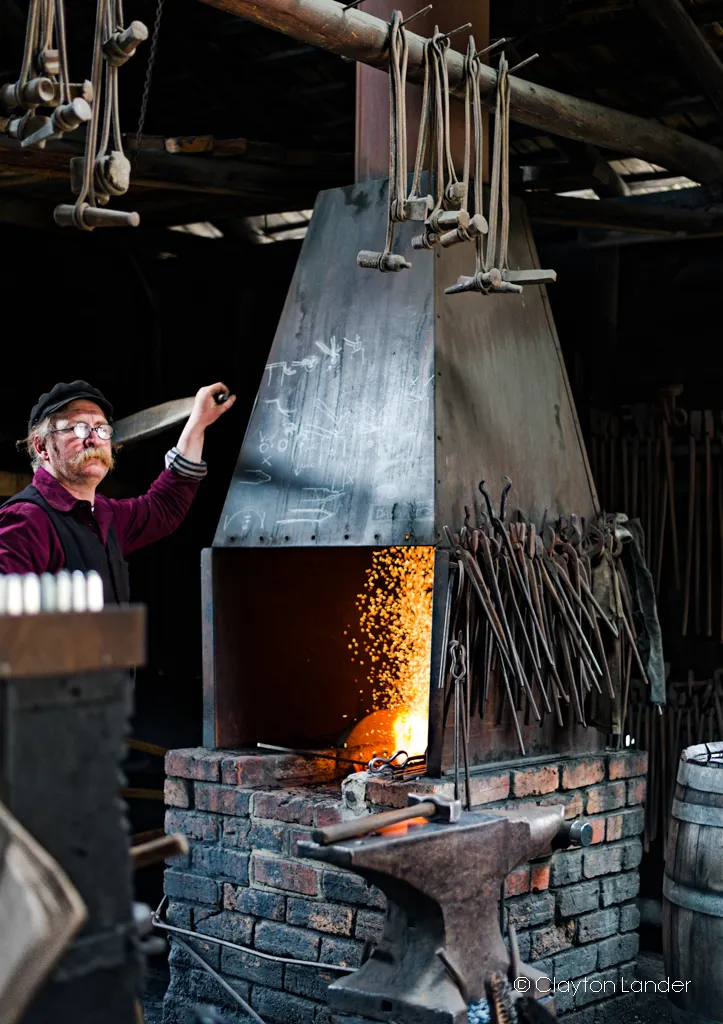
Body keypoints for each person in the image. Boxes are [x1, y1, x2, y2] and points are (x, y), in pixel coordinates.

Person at [0, 380, 236, 602]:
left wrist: (198, 422)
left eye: (102, 429)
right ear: (42, 447)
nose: (93, 439)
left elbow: (164, 506)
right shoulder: (26, 520)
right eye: (79, 428)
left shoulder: (103, 514)